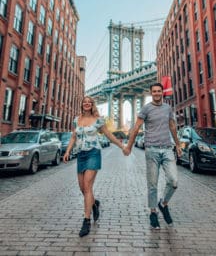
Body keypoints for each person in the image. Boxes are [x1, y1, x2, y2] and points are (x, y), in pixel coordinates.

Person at [63, 96, 125, 237]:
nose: (86, 104)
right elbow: (74, 136)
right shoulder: (76, 119)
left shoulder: (98, 120)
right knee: (83, 189)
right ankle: (94, 204)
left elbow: (108, 135)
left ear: (92, 105)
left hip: (93, 153)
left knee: (87, 186)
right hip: (80, 155)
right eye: (84, 102)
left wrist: (122, 146)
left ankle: (86, 220)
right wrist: (67, 151)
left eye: (89, 102)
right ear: (82, 104)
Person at [123, 82, 182, 229]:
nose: (156, 93)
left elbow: (173, 126)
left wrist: (178, 144)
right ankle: (153, 212)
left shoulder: (168, 108)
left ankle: (163, 204)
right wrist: (129, 146)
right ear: (151, 93)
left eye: (159, 91)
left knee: (173, 181)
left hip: (167, 149)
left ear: (162, 93)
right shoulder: (146, 108)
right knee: (152, 185)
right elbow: (136, 127)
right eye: (154, 91)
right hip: (152, 150)